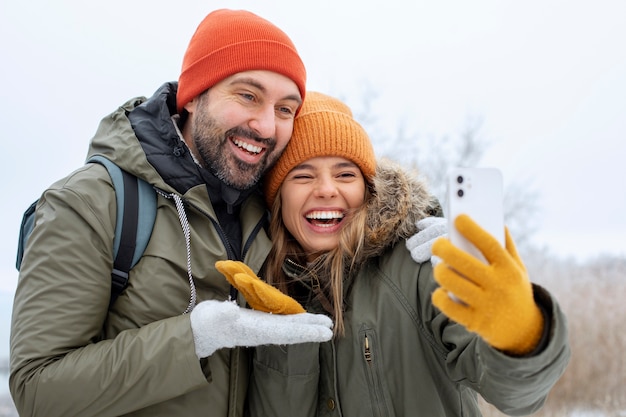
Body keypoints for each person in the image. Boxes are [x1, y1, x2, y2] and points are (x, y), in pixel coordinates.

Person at [9, 9, 335, 417]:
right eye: (248, 96)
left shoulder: (271, 208)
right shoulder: (91, 203)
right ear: (194, 96)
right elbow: (38, 389)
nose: (267, 127)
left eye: (286, 109)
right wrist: (194, 338)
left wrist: (414, 229)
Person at [218, 91, 571, 416]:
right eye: (302, 176)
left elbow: (515, 396)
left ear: (367, 189)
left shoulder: (419, 265)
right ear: (278, 197)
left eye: (345, 174)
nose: (326, 190)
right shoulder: (257, 289)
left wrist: (522, 333)